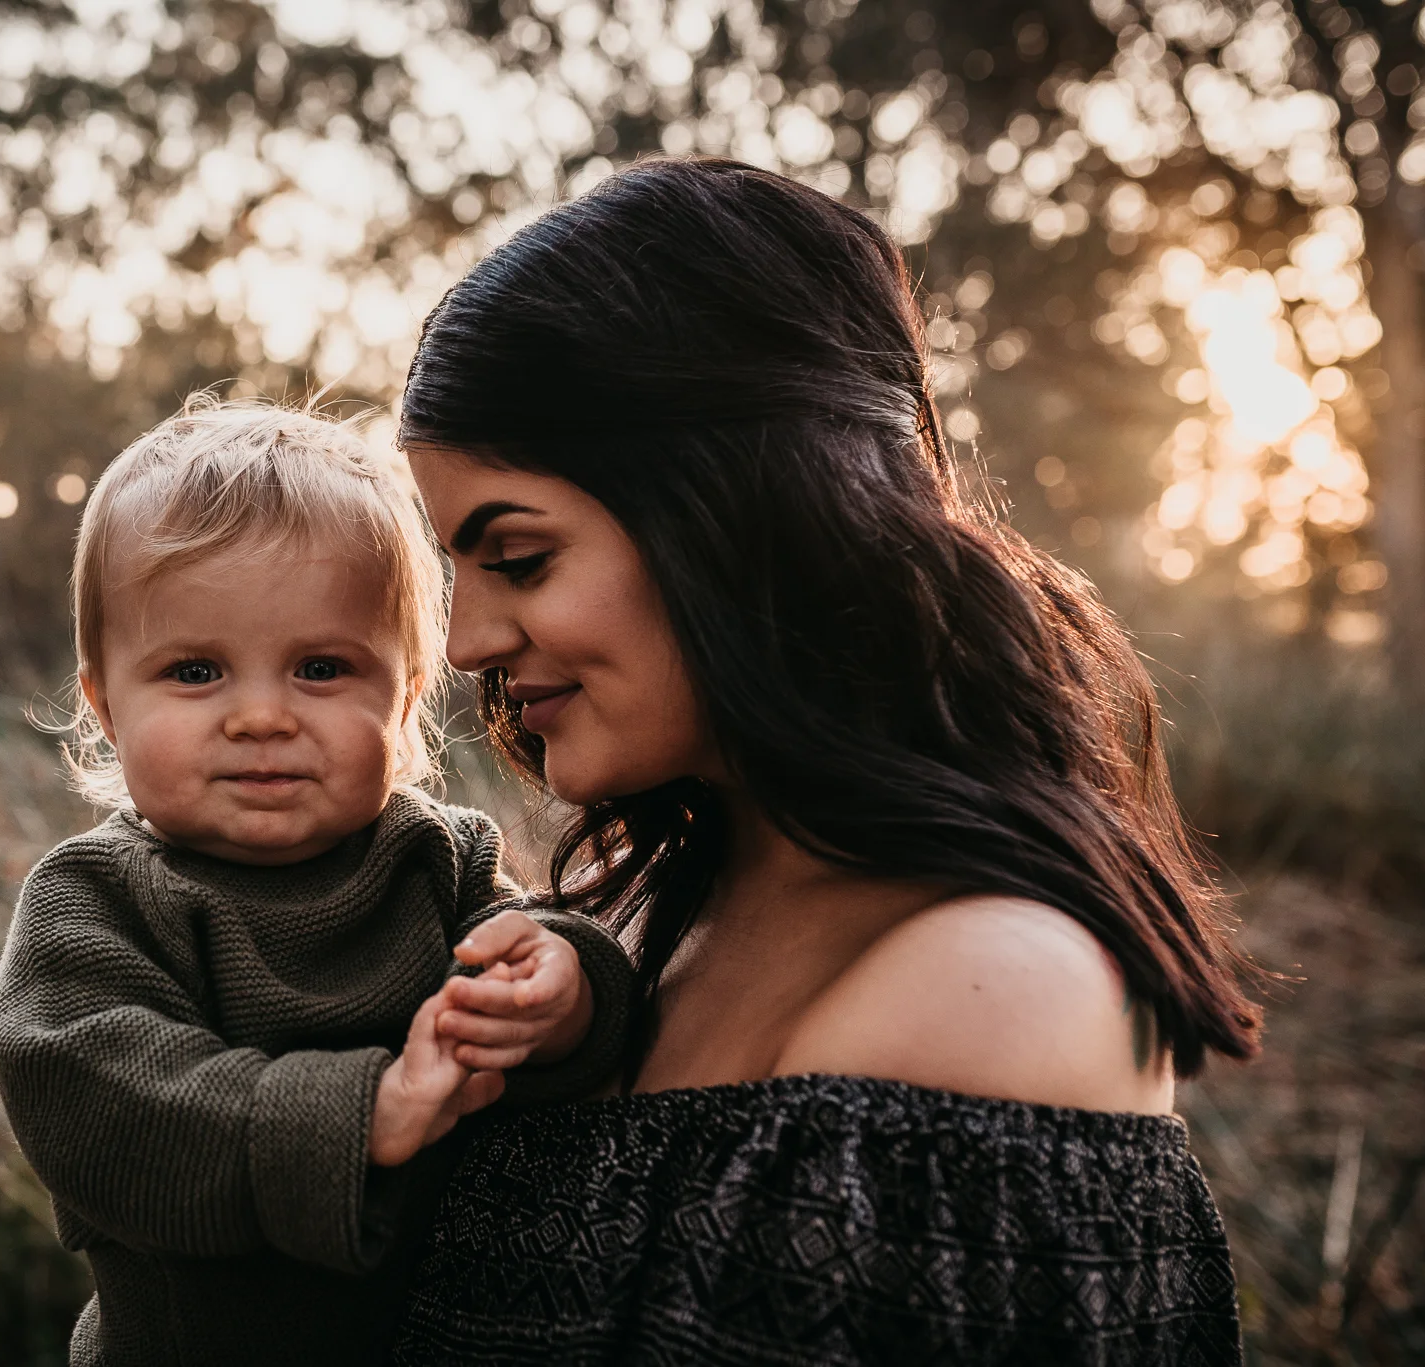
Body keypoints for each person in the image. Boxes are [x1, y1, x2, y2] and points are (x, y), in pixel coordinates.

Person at [390, 158, 1259, 1365]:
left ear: (733, 514)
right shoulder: (623, 928)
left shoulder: (997, 989)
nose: (466, 640)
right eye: (456, 568)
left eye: (519, 556)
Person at [0, 402, 634, 1367]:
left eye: (321, 668)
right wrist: (367, 1111)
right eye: (197, 670)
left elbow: (536, 981)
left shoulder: (441, 860)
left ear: (404, 697)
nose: (260, 716)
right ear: (108, 704)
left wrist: (563, 988)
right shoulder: (97, 900)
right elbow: (99, 1103)